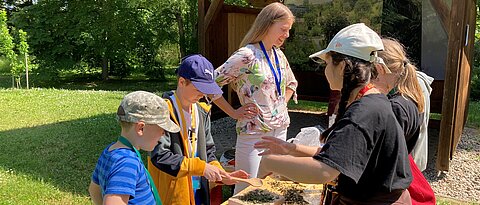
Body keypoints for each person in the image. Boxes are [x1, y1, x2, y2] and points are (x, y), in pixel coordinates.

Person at [255, 23, 413, 204]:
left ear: (342, 66)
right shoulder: (371, 102)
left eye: (327, 62)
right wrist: (291, 149)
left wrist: (269, 162)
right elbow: (341, 154)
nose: (325, 70)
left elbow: (324, 171)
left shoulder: (363, 112)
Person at [213, 2, 298, 193]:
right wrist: (233, 113)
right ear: (268, 24)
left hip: (280, 132)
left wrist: (281, 103)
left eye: (289, 30)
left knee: (271, 190)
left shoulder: (278, 55)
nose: (287, 35)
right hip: (254, 135)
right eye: (283, 29)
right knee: (247, 189)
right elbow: (211, 83)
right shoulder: (247, 55)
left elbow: (292, 83)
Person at [148, 54, 248, 205]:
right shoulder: (162, 111)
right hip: (171, 197)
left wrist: (219, 173)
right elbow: (160, 157)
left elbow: (208, 152)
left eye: (207, 89)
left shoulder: (202, 111)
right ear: (182, 82)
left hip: (198, 194)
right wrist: (201, 168)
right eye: (199, 88)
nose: (203, 94)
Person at [89, 91, 181, 205]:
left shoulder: (110, 151)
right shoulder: (127, 162)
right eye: (162, 128)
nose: (163, 133)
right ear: (140, 128)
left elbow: (94, 190)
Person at [377, 38, 435, 205]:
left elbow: (387, 155)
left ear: (380, 69)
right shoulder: (408, 92)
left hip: (397, 185)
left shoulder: (397, 107)